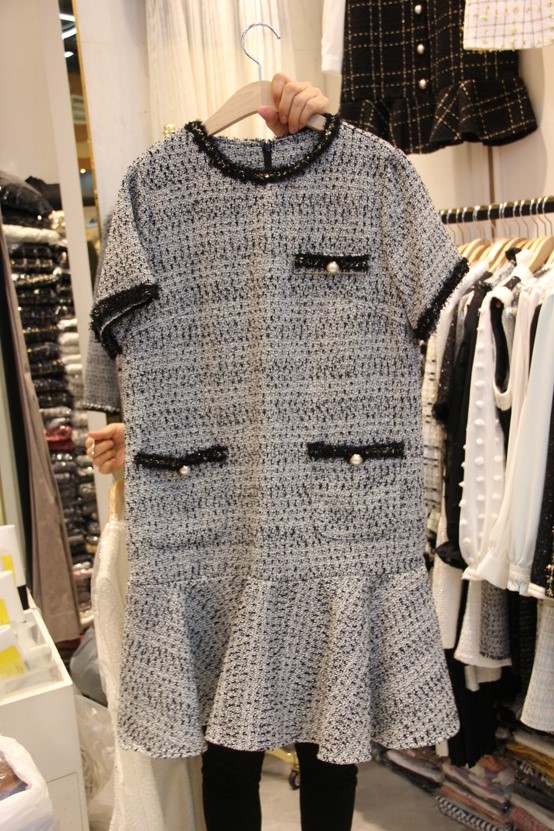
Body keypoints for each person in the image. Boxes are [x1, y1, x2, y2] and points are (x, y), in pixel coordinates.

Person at [86, 74, 361, 831]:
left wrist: (329, 133)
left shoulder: (358, 182)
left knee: (318, 732)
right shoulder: (154, 190)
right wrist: (143, 429)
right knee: (236, 740)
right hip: (215, 516)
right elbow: (127, 354)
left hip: (323, 510)